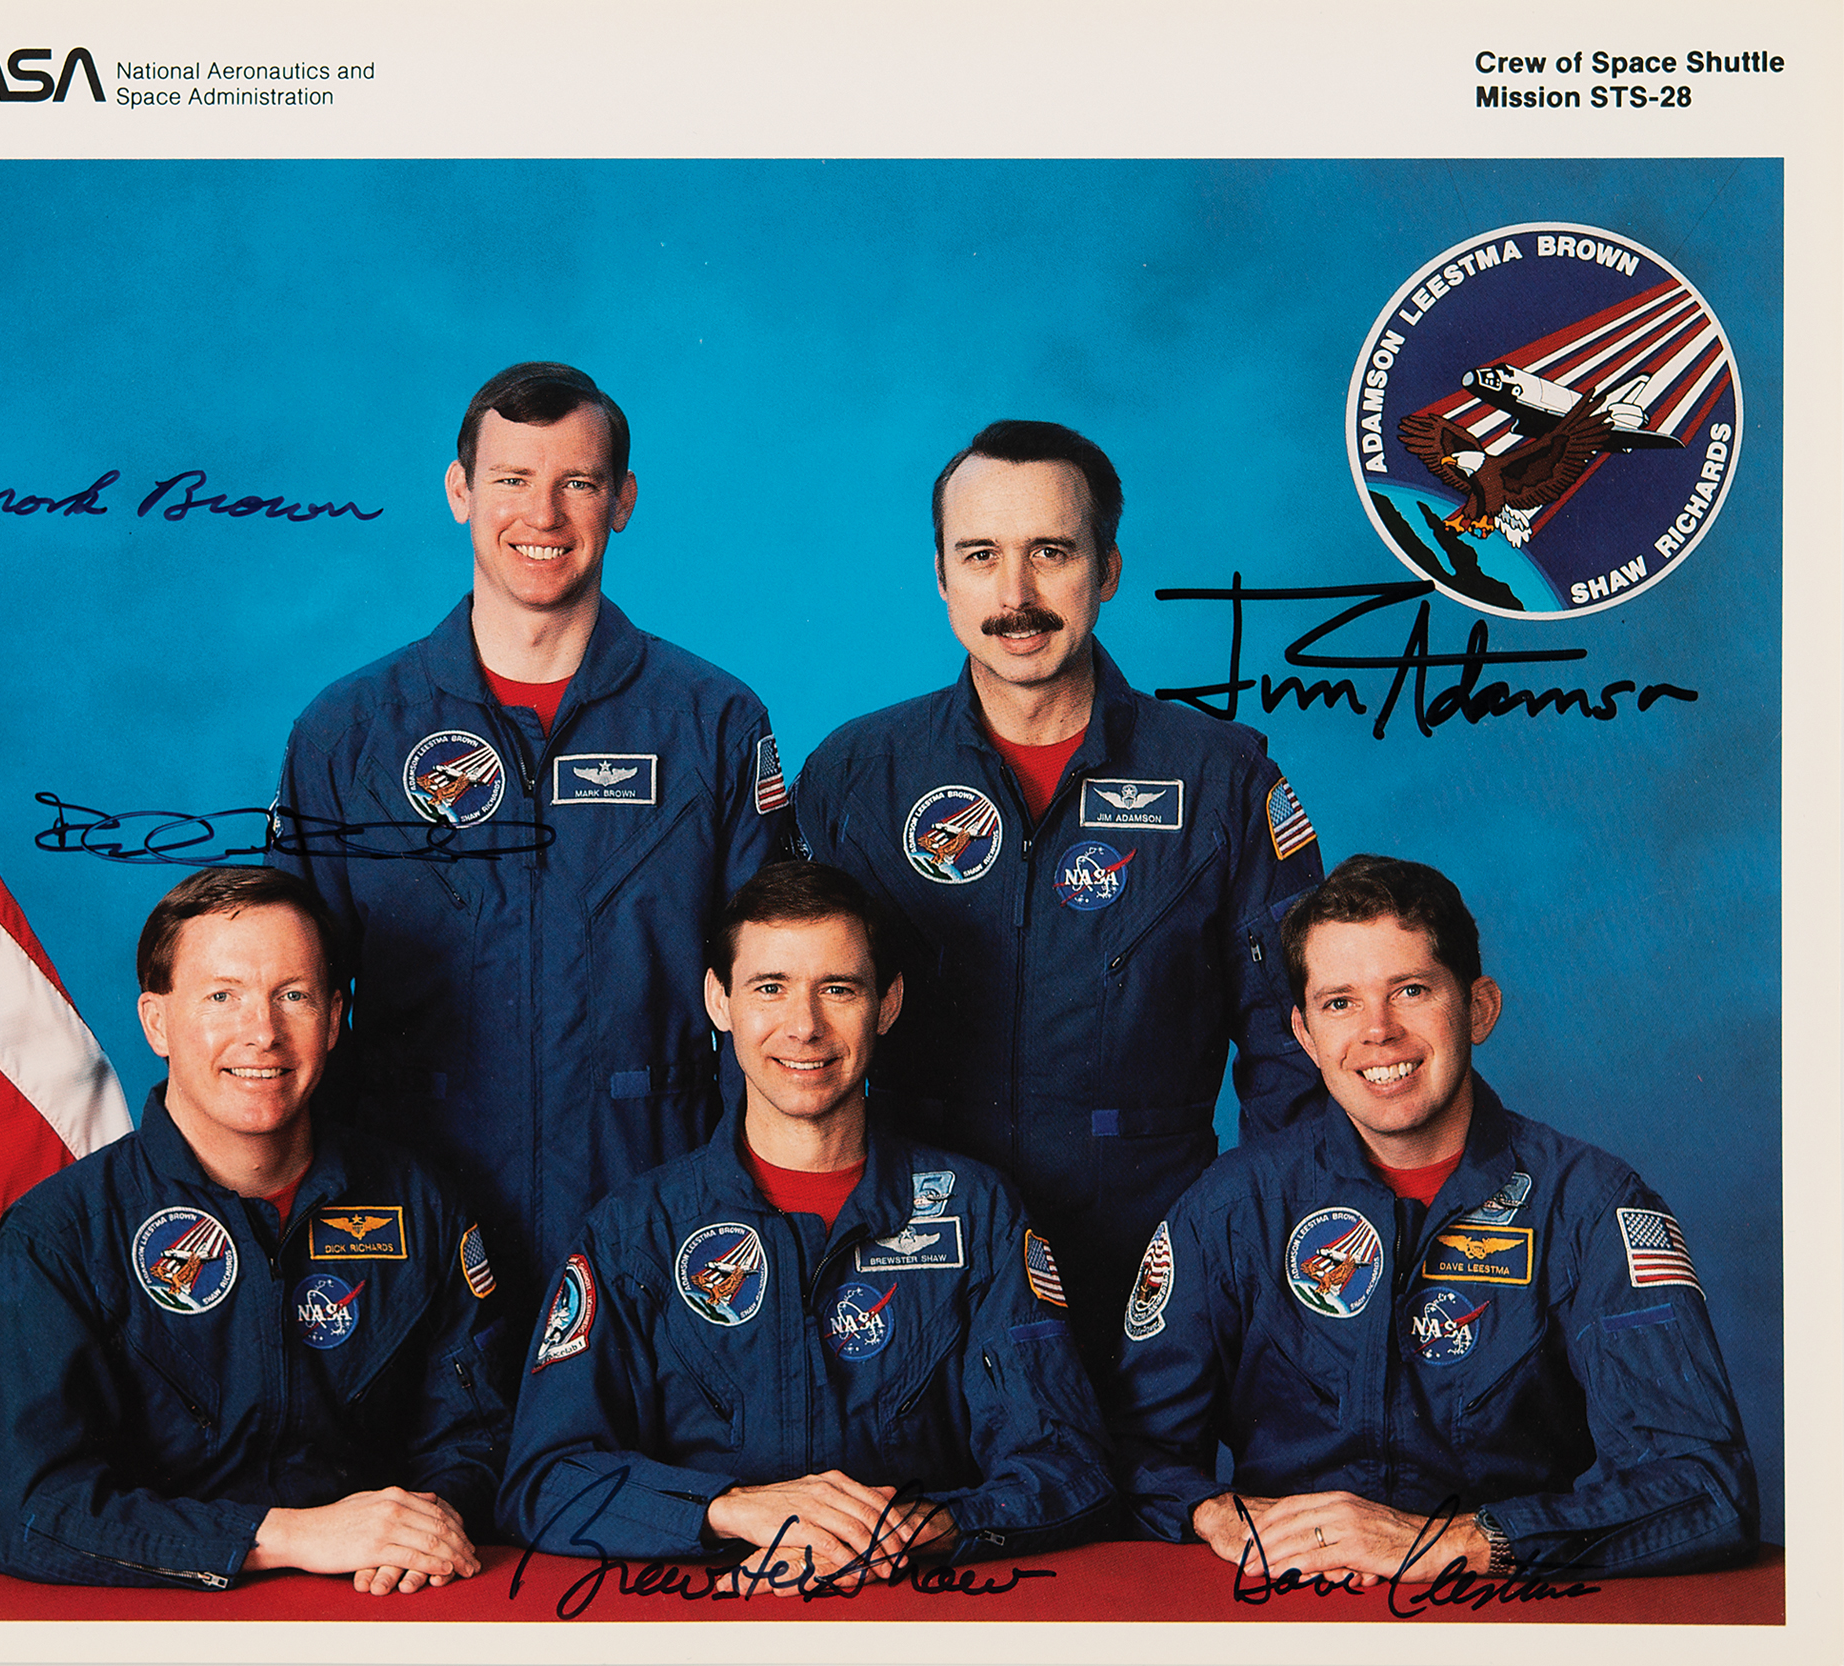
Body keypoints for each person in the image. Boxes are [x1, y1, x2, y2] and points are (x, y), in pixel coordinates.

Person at [792, 419, 1325, 1357]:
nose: (1016, 596)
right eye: (981, 555)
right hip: (910, 1277)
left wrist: (1255, 1260)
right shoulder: (857, 776)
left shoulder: (1222, 782)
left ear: (1107, 569)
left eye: (1051, 552)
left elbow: (1297, 1051)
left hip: (1154, 1274)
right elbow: (778, 1033)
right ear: (941, 576)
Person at [268, 362, 784, 1318]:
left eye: (577, 483)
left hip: (651, 1216)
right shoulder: (351, 734)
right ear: (459, 490)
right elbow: (288, 997)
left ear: (622, 501)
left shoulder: (711, 723)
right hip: (408, 1229)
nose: (542, 515)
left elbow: (771, 993)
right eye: (511, 479)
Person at [1108, 854, 1758, 1580]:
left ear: (1478, 1009)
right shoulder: (1232, 1210)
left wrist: (1455, 1542)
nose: (1378, 1032)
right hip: (1287, 1601)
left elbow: (1704, 1490)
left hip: (1503, 1605)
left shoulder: (1591, 1210)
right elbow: (1128, 1452)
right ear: (1304, 1035)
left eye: (1410, 991)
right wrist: (1213, 1514)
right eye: (1340, 1003)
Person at [498, 863, 1114, 1583]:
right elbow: (545, 1481)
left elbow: (1068, 1464)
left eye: (838, 989)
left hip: (915, 1604)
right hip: (710, 1614)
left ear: (887, 1004)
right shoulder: (637, 1233)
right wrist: (730, 1509)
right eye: (770, 988)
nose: (804, 1027)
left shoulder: (977, 1216)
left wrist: (910, 1529)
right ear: (719, 1001)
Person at [0, 868, 509, 1591]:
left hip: (377, 1597)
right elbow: (30, 1513)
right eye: (222, 996)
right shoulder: (59, 1238)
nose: (262, 1033)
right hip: (156, 1615)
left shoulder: (421, 1207)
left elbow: (476, 1439)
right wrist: (288, 1536)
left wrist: (421, 1525)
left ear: (334, 1019)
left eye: (294, 996)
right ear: (157, 1023)